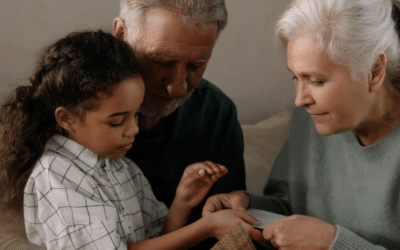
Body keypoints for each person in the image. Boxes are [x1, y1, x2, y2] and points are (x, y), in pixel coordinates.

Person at [0, 30, 263, 249]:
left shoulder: (122, 167)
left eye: (136, 115)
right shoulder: (57, 175)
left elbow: (161, 241)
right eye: (117, 121)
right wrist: (206, 228)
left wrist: (183, 202)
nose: (133, 129)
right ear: (66, 119)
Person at [202, 0, 400, 249]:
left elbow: (318, 236)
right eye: (295, 77)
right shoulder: (313, 119)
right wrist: (247, 205)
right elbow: (291, 204)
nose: (299, 100)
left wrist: (332, 243)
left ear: (374, 72)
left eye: (316, 81)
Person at [112, 2, 247, 246]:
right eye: (161, 60)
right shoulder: (77, 115)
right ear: (121, 35)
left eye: (196, 65)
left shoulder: (215, 113)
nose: (178, 87)